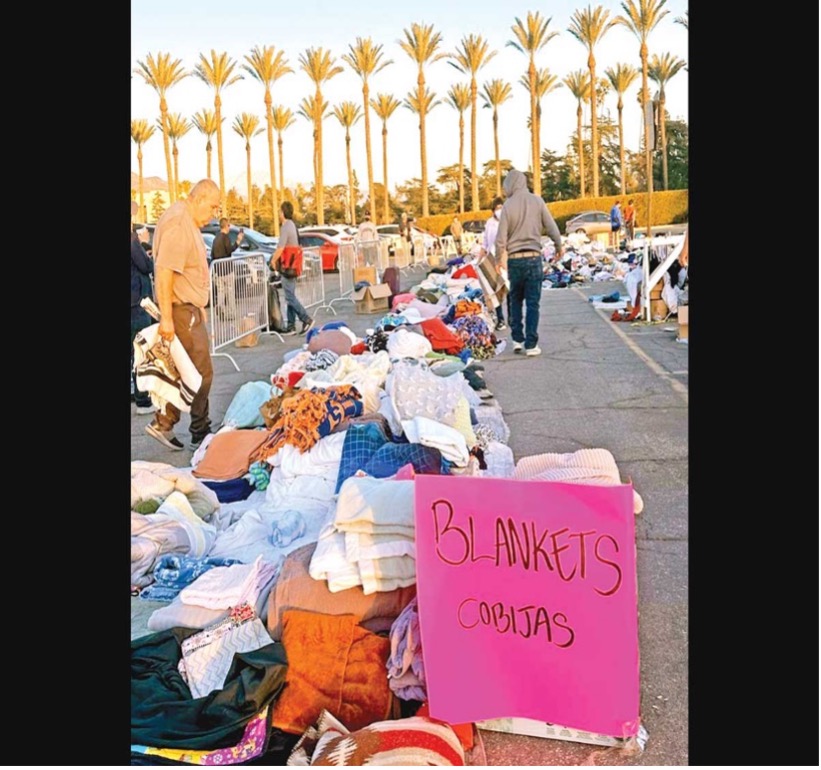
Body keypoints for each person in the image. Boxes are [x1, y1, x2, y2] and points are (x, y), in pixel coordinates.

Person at [144, 179, 221, 452]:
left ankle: (164, 422)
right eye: (212, 206)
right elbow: (165, 271)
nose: (213, 213)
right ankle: (201, 432)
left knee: (183, 372)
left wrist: (200, 311)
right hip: (179, 310)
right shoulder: (179, 222)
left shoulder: (185, 219)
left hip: (187, 310)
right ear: (199, 198)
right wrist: (166, 317)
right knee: (201, 374)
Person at [495, 168, 563, 357]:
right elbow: (551, 227)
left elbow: (500, 238)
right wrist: (559, 246)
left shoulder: (507, 206)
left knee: (515, 300)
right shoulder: (537, 201)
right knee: (533, 303)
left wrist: (498, 258)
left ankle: (517, 340)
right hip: (534, 258)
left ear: (509, 185)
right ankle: (531, 344)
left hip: (515, 261)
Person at [270, 200, 313, 336]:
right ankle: (291, 325)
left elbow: (280, 247)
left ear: (283, 212)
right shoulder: (292, 225)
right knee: (290, 295)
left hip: (288, 265)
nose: (278, 213)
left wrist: (273, 260)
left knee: (289, 296)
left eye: (279, 211)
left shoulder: (286, 226)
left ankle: (306, 319)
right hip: (293, 265)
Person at [131, 201, 155, 415]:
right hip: (136, 303)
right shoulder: (131, 240)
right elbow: (145, 266)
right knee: (140, 352)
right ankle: (142, 399)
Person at [480, 196, 507, 330]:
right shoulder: (489, 223)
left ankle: (513, 317)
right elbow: (485, 242)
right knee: (495, 290)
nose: (499, 211)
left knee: (508, 288)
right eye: (497, 208)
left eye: (501, 208)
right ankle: (500, 318)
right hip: (492, 258)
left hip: (505, 258)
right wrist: (480, 259)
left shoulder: (508, 221)